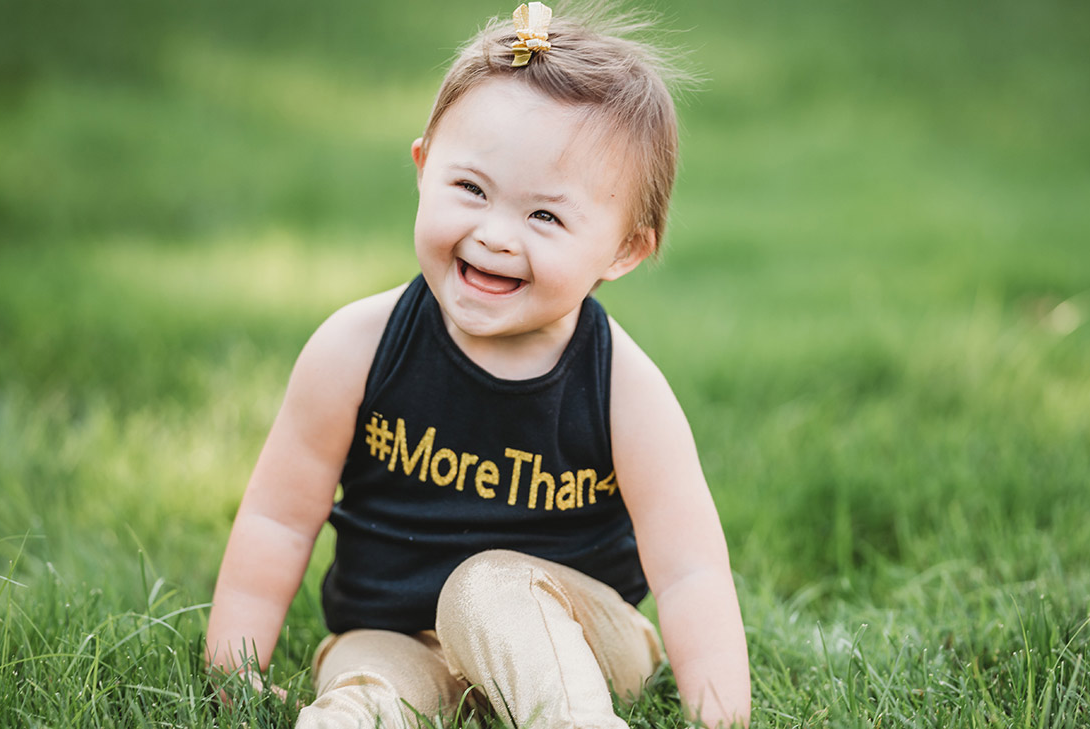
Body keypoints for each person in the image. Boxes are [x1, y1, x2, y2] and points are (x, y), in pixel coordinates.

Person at [205, 3, 751, 727]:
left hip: (582, 641)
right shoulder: (355, 349)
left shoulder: (623, 387)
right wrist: (234, 674)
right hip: (394, 633)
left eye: (545, 216)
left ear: (624, 249)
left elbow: (690, 573)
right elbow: (278, 519)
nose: (494, 235)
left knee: (488, 589)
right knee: (367, 688)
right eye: (471, 189)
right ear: (423, 169)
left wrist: (721, 718)